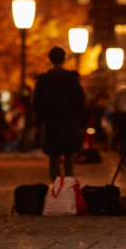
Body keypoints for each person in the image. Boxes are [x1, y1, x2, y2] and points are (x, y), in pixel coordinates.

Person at [33, 46, 86, 181]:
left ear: (50, 59)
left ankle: (56, 183)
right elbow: (81, 98)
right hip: (68, 119)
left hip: (51, 120)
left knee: (53, 154)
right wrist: (78, 115)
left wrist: (41, 118)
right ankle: (68, 183)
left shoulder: (44, 80)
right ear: (64, 59)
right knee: (69, 153)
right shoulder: (70, 78)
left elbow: (37, 101)